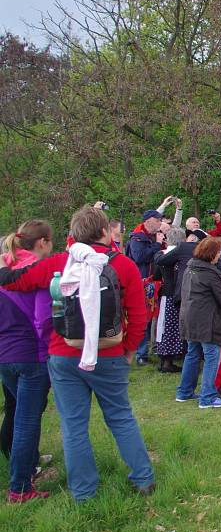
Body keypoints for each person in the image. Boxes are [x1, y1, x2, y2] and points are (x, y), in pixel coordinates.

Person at [0, 206, 154, 500]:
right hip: (109, 353)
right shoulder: (124, 266)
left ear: (74, 234)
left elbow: (14, 281)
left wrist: (5, 257)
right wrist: (130, 349)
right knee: (121, 417)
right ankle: (144, 480)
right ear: (105, 232)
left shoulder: (59, 262)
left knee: (73, 426)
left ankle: (83, 493)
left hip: (64, 353)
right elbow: (138, 315)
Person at [0, 221, 53, 502]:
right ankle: (20, 488)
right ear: (43, 242)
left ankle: (27, 465)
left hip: (4, 355)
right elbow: (43, 320)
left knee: (19, 413)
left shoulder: (3, 268)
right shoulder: (38, 271)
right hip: (31, 355)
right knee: (27, 422)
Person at [176, 237, 221, 409]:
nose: (219, 256)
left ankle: (185, 392)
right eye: (218, 252)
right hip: (206, 321)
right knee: (212, 356)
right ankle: (208, 397)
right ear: (212, 253)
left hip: (189, 318)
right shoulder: (210, 273)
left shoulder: (190, 268)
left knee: (193, 354)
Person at [126, 209, 166, 365]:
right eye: (158, 220)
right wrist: (156, 244)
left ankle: (145, 351)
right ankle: (140, 354)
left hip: (152, 283)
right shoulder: (137, 238)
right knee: (141, 318)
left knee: (149, 317)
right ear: (149, 221)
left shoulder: (150, 237)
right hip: (140, 283)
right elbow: (140, 257)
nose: (160, 223)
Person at [152, 227, 191, 373]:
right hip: (181, 293)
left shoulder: (162, 254)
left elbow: (156, 275)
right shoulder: (184, 254)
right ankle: (175, 358)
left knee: (165, 327)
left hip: (167, 293)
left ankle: (166, 359)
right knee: (179, 325)